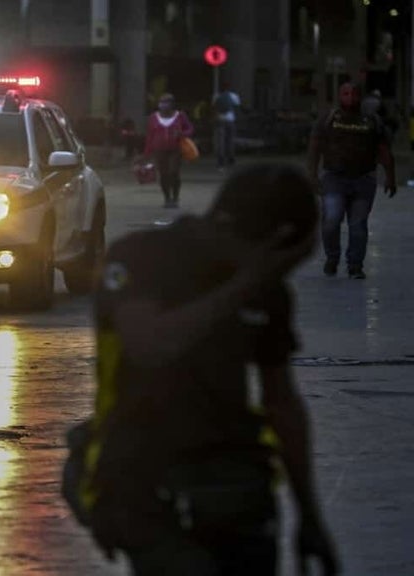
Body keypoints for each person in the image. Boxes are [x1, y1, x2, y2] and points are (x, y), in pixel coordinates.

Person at [65, 163, 339, 576]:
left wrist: (310, 516)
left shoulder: (267, 290)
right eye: (286, 259)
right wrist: (246, 285)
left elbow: (281, 402)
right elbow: (151, 345)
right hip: (144, 478)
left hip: (237, 486)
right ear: (268, 242)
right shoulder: (140, 258)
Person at [307, 82, 397, 279]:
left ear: (361, 97)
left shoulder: (371, 120)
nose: (350, 98)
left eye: (354, 94)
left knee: (358, 225)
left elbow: (383, 150)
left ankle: (355, 265)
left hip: (363, 180)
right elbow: (314, 148)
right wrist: (312, 175)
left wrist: (390, 176)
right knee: (331, 220)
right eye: (346, 94)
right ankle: (332, 258)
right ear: (340, 96)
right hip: (334, 179)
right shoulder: (328, 119)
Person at [142, 93, 194, 209]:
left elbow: (190, 129)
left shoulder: (180, 116)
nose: (163, 105)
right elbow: (150, 136)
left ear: (172, 104)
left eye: (166, 102)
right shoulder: (153, 117)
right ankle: (167, 198)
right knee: (163, 174)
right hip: (159, 150)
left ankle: (175, 197)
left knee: (173, 172)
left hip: (175, 149)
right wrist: (146, 153)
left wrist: (182, 134)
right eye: (161, 102)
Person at [212, 81, 241, 169]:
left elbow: (213, 108)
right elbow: (237, 108)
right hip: (230, 120)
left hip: (220, 120)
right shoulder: (234, 96)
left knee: (221, 142)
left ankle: (221, 161)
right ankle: (231, 159)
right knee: (230, 140)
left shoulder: (216, 96)